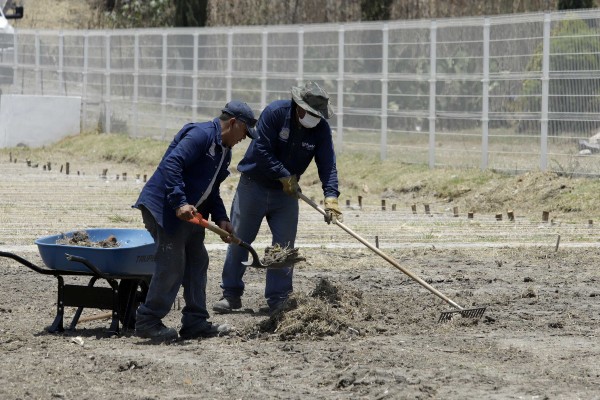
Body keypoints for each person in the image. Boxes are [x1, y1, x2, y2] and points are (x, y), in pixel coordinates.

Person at [213, 81, 343, 314]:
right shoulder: (275, 113)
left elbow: (328, 164)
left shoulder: (321, 130)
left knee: (284, 247)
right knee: (239, 239)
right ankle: (231, 295)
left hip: (287, 194)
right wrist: (284, 175)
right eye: (311, 113)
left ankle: (279, 298)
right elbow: (261, 150)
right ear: (298, 107)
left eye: (318, 114)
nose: (314, 118)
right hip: (254, 185)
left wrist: (331, 195)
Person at [133, 100, 258, 341]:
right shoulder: (201, 135)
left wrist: (221, 218)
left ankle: (195, 322)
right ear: (233, 123)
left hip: (190, 214)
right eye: (244, 132)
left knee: (198, 261)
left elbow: (212, 189)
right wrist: (180, 202)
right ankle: (148, 320)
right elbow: (172, 163)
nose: (244, 138)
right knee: (172, 263)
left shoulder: (224, 151)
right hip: (165, 207)